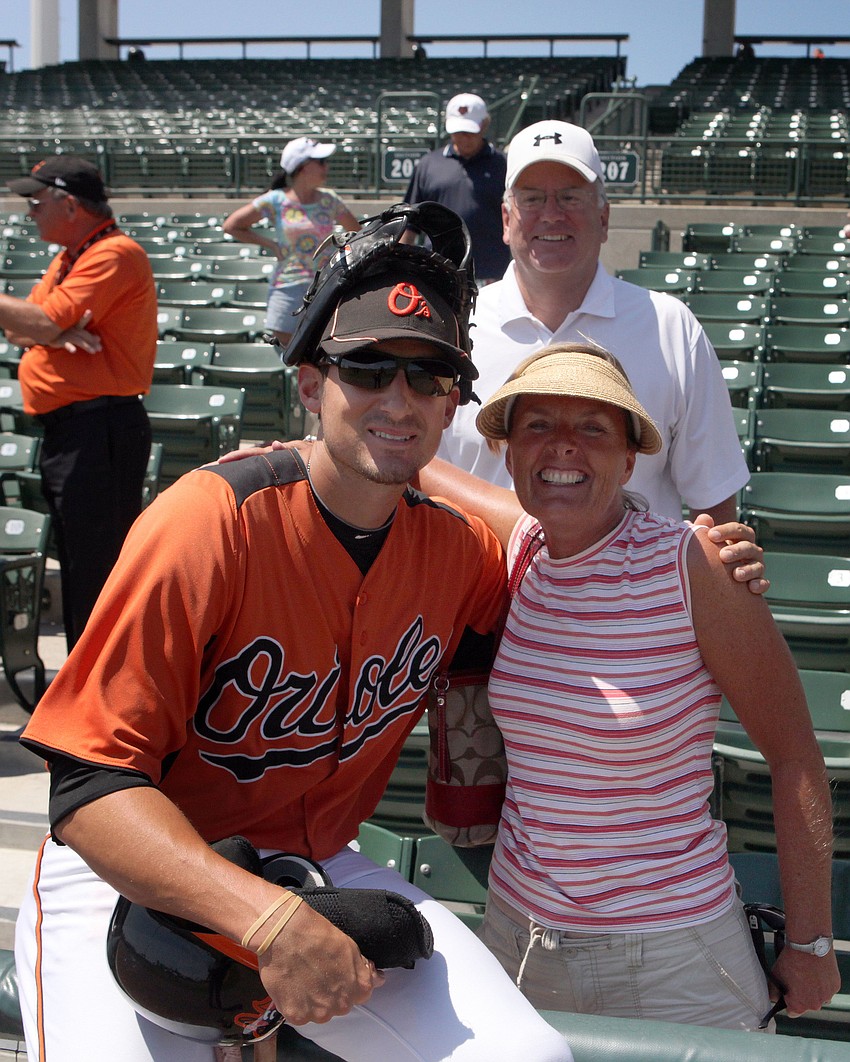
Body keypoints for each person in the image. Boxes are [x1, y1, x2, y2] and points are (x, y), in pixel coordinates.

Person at [14, 207, 573, 1062]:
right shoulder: (211, 521)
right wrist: (268, 922)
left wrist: (690, 552)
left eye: (429, 378)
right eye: (369, 368)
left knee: (527, 1058)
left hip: (310, 864)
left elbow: (575, 579)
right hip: (126, 874)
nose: (399, 398)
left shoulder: (458, 556)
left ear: (454, 401)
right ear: (311, 384)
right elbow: (87, 789)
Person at [425, 343, 839, 1031]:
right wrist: (296, 449)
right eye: (537, 426)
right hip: (518, 938)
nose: (562, 447)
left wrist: (812, 942)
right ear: (508, 452)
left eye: (593, 428)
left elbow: (796, 757)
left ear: (627, 460)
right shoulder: (524, 543)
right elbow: (415, 466)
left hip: (673, 955)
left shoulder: (695, 566)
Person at [435, 119, 750, 525]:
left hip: (636, 589)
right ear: (506, 220)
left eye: (570, 198)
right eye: (531, 199)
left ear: (603, 218)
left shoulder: (672, 328)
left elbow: (715, 504)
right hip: (487, 586)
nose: (551, 215)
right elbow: (425, 477)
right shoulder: (454, 327)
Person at [0, 156, 156, 651]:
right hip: (72, 434)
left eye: (36, 201)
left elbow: (39, 324)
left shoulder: (113, 253)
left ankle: (100, 699)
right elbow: (17, 326)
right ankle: (81, 689)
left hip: (101, 431)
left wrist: (48, 326)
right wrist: (53, 326)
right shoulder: (71, 254)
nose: (29, 212)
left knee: (96, 573)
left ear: (70, 204)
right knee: (78, 568)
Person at [222, 136, 361, 346]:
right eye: (321, 162)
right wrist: (271, 244)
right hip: (287, 286)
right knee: (286, 347)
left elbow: (358, 233)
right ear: (303, 167)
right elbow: (231, 225)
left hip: (324, 286)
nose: (326, 166)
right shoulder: (276, 200)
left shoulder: (329, 200)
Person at [403, 93, 511, 283]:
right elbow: (410, 223)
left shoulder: (505, 165)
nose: (464, 138)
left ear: (485, 125)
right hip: (439, 274)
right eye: (458, 131)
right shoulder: (428, 165)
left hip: (493, 276)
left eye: (470, 131)